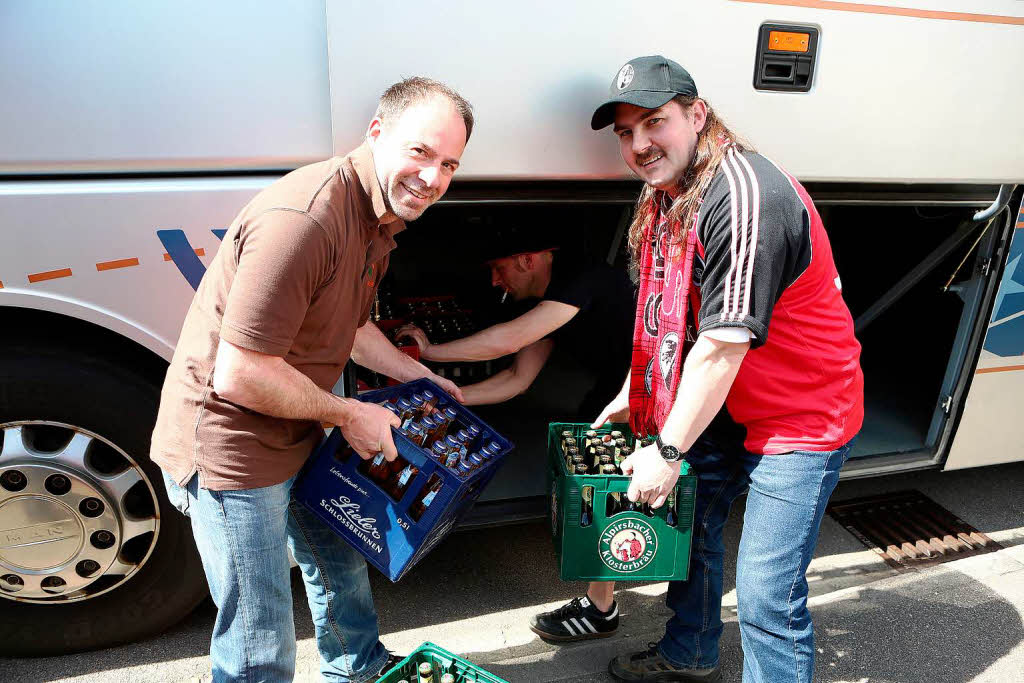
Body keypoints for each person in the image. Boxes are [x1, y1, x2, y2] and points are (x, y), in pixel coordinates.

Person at [150, 77, 473, 682]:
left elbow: (350, 326)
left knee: (338, 559)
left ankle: (357, 668)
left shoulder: (374, 218)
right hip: (233, 448)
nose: (433, 178)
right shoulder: (306, 221)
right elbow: (239, 373)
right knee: (259, 635)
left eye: (449, 164)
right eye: (421, 152)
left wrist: (420, 375)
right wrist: (351, 414)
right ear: (376, 134)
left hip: (297, 425)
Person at [584, 55, 863, 682]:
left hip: (802, 416)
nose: (639, 145)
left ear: (697, 114)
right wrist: (637, 390)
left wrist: (667, 447)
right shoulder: (670, 192)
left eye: (654, 122)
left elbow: (721, 345)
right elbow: (673, 314)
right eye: (625, 133)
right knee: (694, 539)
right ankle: (689, 654)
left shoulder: (744, 196)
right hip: (724, 402)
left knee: (767, 597)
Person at [394, 228, 634, 418]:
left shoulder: (580, 277)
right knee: (589, 416)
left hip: (647, 376)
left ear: (528, 261)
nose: (494, 281)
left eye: (499, 269)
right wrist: (446, 397)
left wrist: (429, 352)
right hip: (614, 376)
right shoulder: (539, 300)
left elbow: (508, 341)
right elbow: (517, 379)